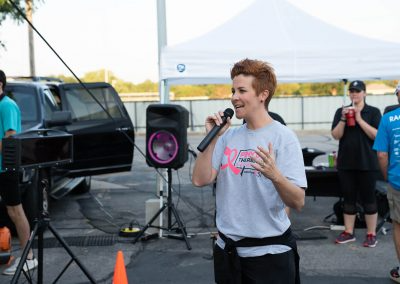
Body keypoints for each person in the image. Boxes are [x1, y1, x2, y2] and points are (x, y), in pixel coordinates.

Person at [192, 59, 306, 284]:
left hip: (269, 255)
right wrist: (213, 137)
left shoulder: (283, 138)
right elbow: (199, 179)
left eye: (242, 90)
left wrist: (275, 176)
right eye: (233, 90)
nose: (234, 97)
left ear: (262, 95)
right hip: (228, 253)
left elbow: (298, 201)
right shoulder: (228, 137)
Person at [331, 80, 382, 247]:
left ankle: (371, 233)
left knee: (369, 199)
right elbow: (336, 135)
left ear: (364, 93)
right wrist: (344, 119)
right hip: (346, 163)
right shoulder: (341, 111)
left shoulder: (373, 112)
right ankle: (348, 232)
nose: (354, 94)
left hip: (368, 163)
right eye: (352, 91)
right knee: (349, 199)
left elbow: (377, 136)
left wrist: (359, 119)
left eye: (358, 91)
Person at [0, 70, 38, 275]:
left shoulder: (7, 105)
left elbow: (10, 140)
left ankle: (29, 257)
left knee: (15, 211)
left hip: (5, 168)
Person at [373, 86, 400, 283]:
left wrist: (387, 177)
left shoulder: (388, 118)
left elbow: (382, 154)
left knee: (398, 225)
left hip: (397, 181)